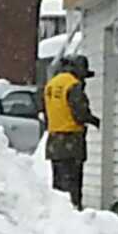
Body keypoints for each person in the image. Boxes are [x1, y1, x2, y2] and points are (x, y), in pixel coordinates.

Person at [43, 56, 100, 209]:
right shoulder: (73, 85)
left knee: (59, 184)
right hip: (71, 141)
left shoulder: (51, 84)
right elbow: (80, 113)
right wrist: (95, 120)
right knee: (72, 186)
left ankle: (59, 214)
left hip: (54, 141)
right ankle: (73, 214)